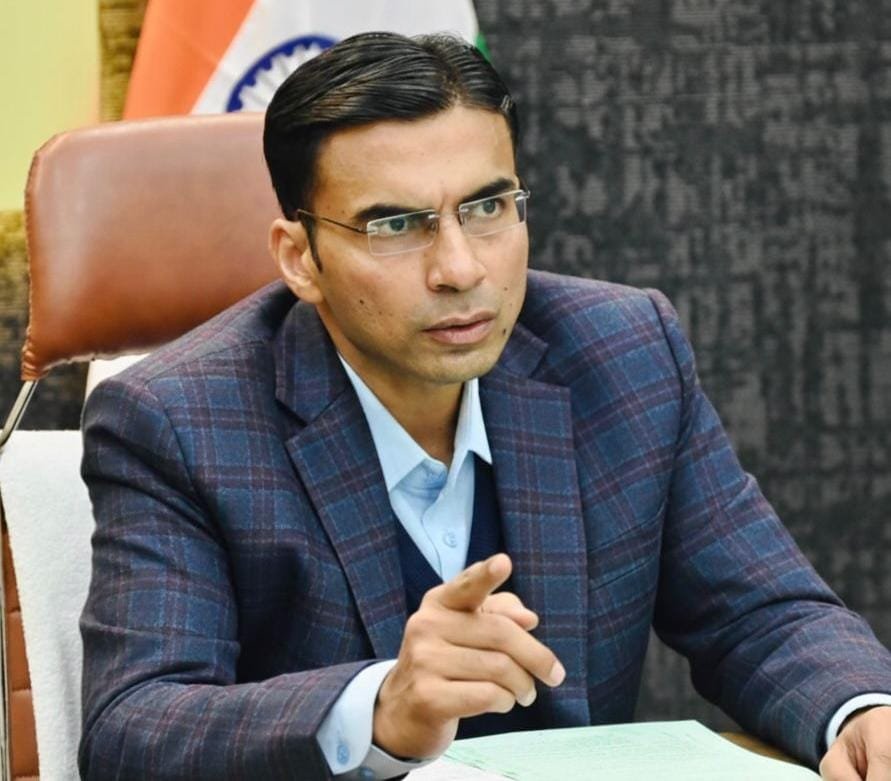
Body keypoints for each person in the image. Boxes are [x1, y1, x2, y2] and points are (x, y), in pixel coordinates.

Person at [78, 32, 891, 780]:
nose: (460, 268)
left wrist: (860, 709)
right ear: (300, 258)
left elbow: (759, 613)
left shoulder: (623, 353)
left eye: (487, 207)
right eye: (397, 224)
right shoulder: (176, 420)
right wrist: (378, 708)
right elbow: (134, 726)